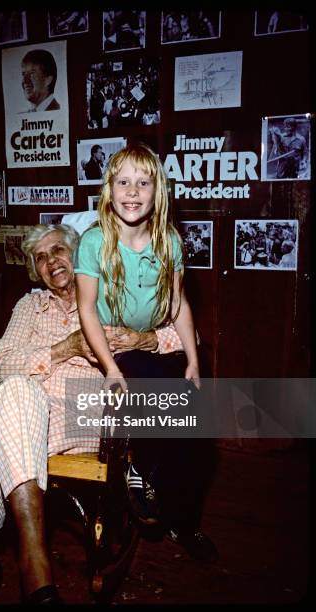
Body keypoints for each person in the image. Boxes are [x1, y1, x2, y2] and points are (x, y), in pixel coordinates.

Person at [0, 223, 183, 604]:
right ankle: (34, 573)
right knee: (15, 394)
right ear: (35, 271)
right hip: (24, 409)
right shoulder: (29, 306)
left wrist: (142, 339)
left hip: (82, 415)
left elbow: (185, 338)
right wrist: (63, 348)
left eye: (58, 251)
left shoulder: (112, 297)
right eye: (40, 258)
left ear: (78, 254)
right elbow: (4, 362)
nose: (51, 262)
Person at [75, 143, 218, 560]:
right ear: (109, 189)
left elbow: (178, 306)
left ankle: (183, 521)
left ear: (158, 191)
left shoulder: (168, 240)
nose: (132, 191)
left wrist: (193, 360)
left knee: (195, 426)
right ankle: (140, 470)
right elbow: (86, 309)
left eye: (143, 182)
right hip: (113, 345)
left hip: (155, 342)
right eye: (123, 182)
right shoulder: (94, 241)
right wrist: (110, 368)